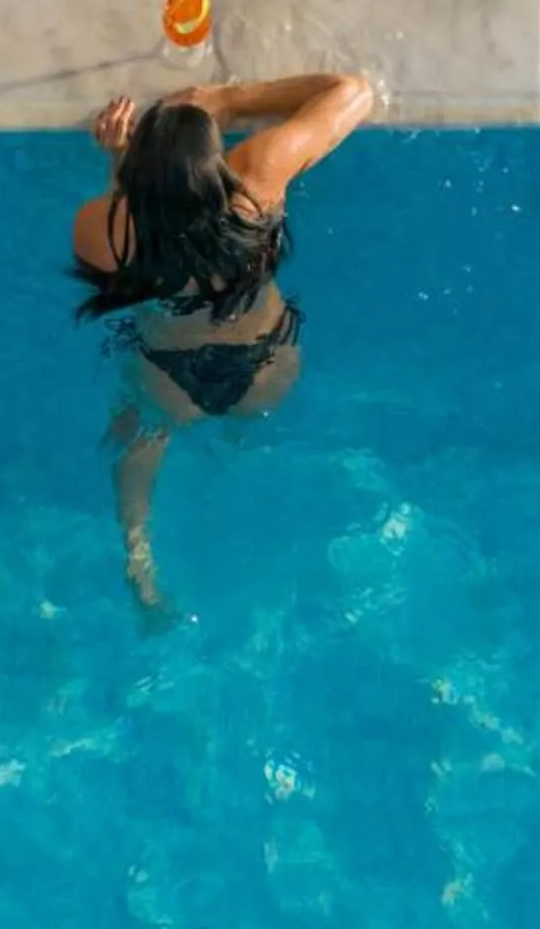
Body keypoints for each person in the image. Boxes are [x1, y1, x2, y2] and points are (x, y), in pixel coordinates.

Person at [73, 71, 375, 620]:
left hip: (167, 377)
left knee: (140, 439)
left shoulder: (103, 226)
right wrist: (233, 100)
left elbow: (136, 239)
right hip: (266, 367)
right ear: (216, 164)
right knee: (244, 429)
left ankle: (139, 561)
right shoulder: (257, 183)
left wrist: (119, 161)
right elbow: (354, 92)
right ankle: (238, 450)